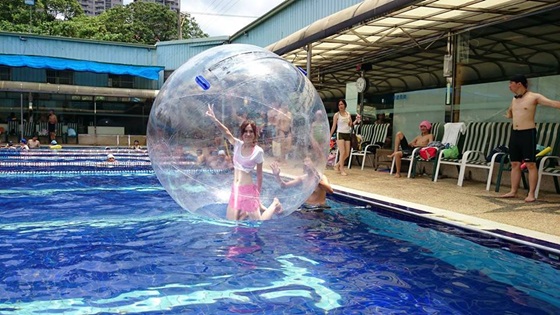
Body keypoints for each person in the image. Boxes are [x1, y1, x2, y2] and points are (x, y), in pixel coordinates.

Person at [206, 104, 282, 221]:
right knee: (231, 222)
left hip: (248, 191)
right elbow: (226, 132)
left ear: (255, 134)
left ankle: (274, 204)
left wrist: (257, 195)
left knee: (258, 222)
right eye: (245, 131)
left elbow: (260, 175)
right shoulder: (237, 144)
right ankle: (245, 213)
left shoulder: (258, 151)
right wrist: (214, 119)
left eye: (251, 131)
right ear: (242, 133)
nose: (248, 134)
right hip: (235, 189)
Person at [500, 74, 560, 202]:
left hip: (528, 133)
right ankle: (513, 191)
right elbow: (512, 111)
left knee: (530, 164)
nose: (509, 86)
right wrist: (509, 114)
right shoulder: (514, 99)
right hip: (515, 133)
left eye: (511, 83)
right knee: (515, 163)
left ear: (519, 84)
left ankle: (531, 194)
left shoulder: (534, 97)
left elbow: (553, 103)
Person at [329, 99, 359, 176]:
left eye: (342, 104)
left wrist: (357, 120)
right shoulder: (337, 115)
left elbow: (350, 125)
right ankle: (342, 169)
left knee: (347, 153)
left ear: (345, 105)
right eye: (339, 105)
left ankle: (337, 164)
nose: (340, 106)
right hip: (340, 134)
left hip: (347, 134)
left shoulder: (348, 114)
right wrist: (330, 135)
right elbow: (334, 126)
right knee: (342, 152)